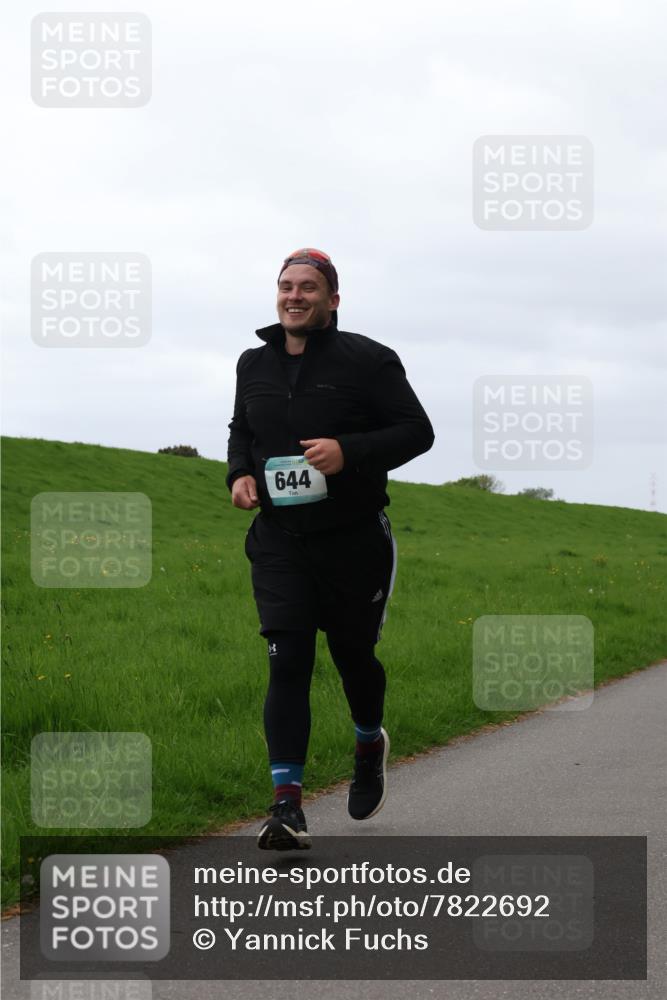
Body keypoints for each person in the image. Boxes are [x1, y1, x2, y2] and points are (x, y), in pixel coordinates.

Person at [226, 248, 434, 850]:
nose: (294, 296)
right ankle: (287, 808)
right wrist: (239, 473)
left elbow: (417, 432)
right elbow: (242, 428)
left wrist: (349, 450)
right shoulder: (253, 363)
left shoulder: (368, 360)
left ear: (332, 300)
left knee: (352, 658)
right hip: (280, 541)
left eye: (308, 287)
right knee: (287, 659)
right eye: (286, 285)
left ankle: (368, 743)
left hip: (354, 541)